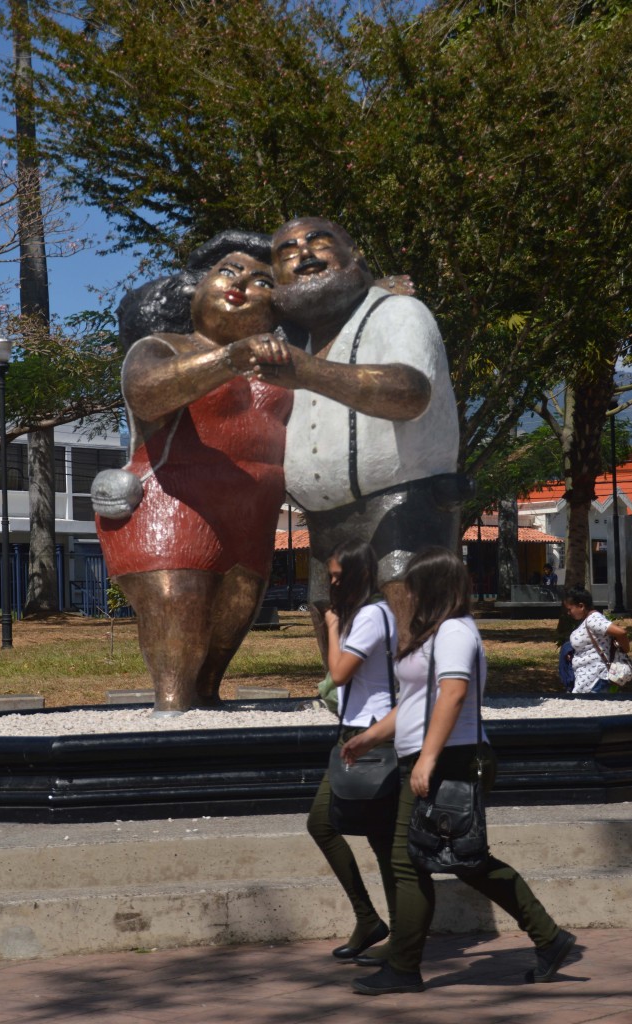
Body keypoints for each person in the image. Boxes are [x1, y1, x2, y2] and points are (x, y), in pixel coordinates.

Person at [341, 546, 576, 995]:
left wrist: (427, 758)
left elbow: (451, 695)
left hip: (451, 756)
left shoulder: (454, 632)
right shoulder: (433, 633)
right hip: (431, 754)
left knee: (414, 862)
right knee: (464, 860)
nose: (403, 593)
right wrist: (371, 737)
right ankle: (548, 937)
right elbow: (415, 702)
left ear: (431, 587)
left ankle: (405, 967)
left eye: (411, 585)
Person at [95, 246, 294, 712]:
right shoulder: (161, 347)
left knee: (221, 647)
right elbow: (147, 394)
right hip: (172, 508)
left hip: (250, 523)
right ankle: (170, 732)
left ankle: (207, 727)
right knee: (179, 620)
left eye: (262, 281)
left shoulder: (286, 367)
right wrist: (230, 358)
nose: (241, 284)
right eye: (228, 272)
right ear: (195, 291)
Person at [257, 216, 467, 648]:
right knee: (329, 607)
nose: (304, 253)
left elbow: (409, 393)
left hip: (404, 497)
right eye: (287, 251)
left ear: (356, 257)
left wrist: (305, 372)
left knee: (407, 588)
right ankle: (347, 701)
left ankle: (424, 698)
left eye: (319, 241)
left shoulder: (398, 312)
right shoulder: (298, 341)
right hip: (323, 514)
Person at [307, 539, 398, 962]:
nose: (333, 583)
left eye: (340, 576)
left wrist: (329, 625)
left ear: (361, 576)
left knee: (382, 839)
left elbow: (339, 673)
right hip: (354, 734)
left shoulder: (371, 616)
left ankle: (398, 934)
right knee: (323, 824)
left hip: (372, 735)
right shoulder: (364, 616)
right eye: (330, 576)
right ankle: (369, 918)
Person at [563, 585, 629, 694]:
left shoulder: (593, 619)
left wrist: (625, 650)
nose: (568, 613)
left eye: (570, 609)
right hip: (587, 678)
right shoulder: (588, 620)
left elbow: (621, 632)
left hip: (595, 678)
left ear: (581, 606)